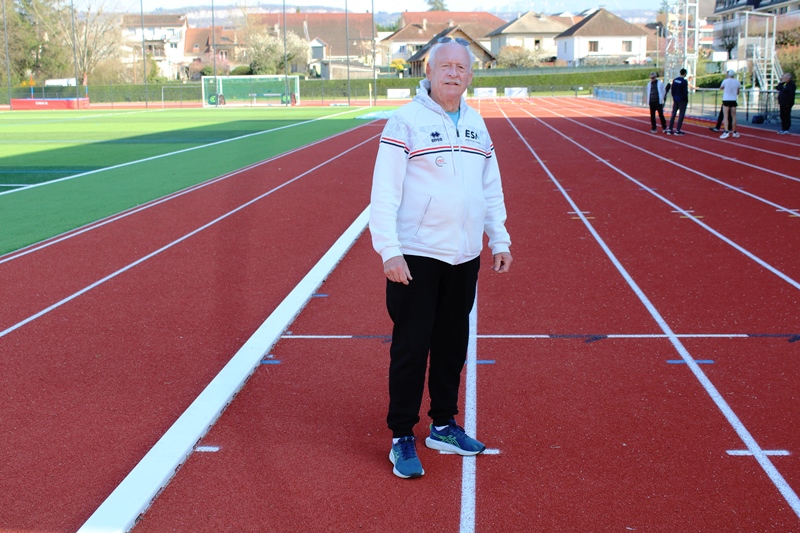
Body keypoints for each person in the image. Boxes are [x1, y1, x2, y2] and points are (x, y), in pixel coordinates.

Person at [369, 37, 512, 479]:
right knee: (411, 348)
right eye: (445, 66)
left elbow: (490, 186)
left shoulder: (476, 123)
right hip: (417, 255)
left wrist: (499, 238)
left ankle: (444, 426)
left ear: (470, 75)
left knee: (452, 346)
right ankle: (401, 436)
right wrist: (390, 251)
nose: (453, 73)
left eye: (461, 67)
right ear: (428, 72)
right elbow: (384, 192)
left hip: (464, 255)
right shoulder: (404, 122)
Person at [719, 70, 741, 139]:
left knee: (725, 116)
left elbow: (721, 88)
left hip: (726, 99)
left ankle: (726, 132)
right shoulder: (737, 82)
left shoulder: (725, 81)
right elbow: (738, 92)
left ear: (728, 74)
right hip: (733, 100)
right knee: (734, 116)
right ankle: (734, 132)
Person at [667, 68, 689, 135]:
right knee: (681, 115)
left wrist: (674, 97)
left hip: (676, 99)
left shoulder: (675, 80)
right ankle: (677, 130)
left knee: (673, 114)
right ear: (685, 74)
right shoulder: (684, 81)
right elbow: (685, 92)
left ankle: (670, 129)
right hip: (682, 100)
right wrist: (685, 99)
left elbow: (672, 89)